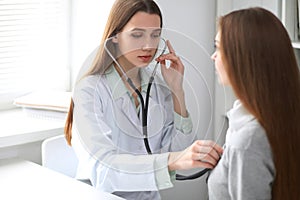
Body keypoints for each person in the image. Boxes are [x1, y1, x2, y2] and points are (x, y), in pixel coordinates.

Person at [64, 0, 223, 199]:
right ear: (115, 36)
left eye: (155, 35)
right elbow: (103, 168)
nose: (149, 45)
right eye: (137, 35)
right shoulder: (89, 90)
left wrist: (177, 91)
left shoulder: (157, 86)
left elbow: (178, 151)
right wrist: (173, 160)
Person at [209, 7, 300, 200]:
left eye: (218, 47)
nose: (213, 56)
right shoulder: (281, 115)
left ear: (241, 58)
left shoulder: (247, 140)